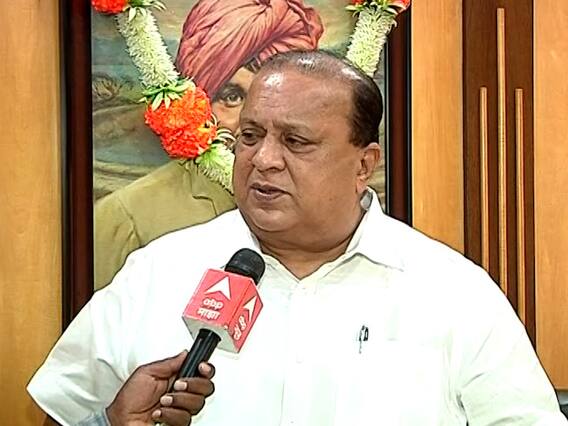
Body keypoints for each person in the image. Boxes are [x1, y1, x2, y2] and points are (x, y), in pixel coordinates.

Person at [29, 51, 567, 425]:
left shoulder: (452, 292)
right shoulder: (158, 272)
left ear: (364, 165)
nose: (263, 160)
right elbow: (58, 413)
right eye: (250, 136)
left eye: (296, 141)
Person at [94, 0, 323, 289]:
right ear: (198, 101)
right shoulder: (128, 217)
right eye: (232, 97)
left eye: (274, 101)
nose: (251, 121)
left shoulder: (325, 210)